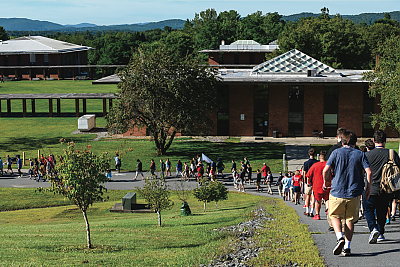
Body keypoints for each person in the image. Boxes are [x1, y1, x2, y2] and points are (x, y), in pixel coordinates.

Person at [323, 130, 372, 257]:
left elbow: (326, 169)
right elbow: (369, 172)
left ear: (343, 141)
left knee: (334, 216)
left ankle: (340, 237)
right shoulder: (360, 154)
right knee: (350, 220)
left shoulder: (336, 152)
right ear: (355, 142)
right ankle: (347, 247)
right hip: (354, 192)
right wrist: (368, 188)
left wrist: (326, 181)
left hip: (337, 191)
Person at [363, 130, 400, 243]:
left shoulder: (367, 155)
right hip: (386, 189)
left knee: (368, 209)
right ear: (385, 141)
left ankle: (373, 229)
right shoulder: (392, 153)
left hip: (370, 188)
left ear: (374, 141)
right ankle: (381, 232)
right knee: (382, 211)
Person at [307, 151, 331, 220]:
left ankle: (317, 214)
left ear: (319, 157)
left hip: (317, 185)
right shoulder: (328, 165)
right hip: (327, 185)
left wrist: (309, 183)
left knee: (318, 200)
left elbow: (308, 175)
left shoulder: (315, 165)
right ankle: (328, 208)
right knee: (327, 199)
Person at [302, 148, 318, 217]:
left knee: (307, 196)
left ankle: (307, 210)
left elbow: (305, 173)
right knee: (313, 196)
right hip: (315, 181)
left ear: (309, 154)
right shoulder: (317, 162)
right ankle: (312, 211)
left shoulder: (306, 163)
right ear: (315, 155)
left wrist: (305, 181)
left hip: (308, 182)